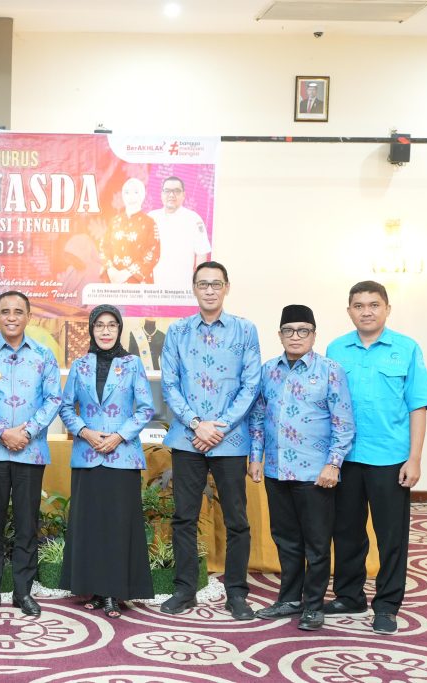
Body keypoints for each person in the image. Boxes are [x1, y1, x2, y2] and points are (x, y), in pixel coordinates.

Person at [325, 280, 427, 635]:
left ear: (387, 308)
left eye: (374, 305)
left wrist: (414, 458)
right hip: (346, 457)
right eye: (359, 306)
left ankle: (387, 605)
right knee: (346, 532)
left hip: (390, 458)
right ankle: (349, 595)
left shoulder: (406, 348)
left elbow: (418, 406)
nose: (367, 311)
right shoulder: (335, 348)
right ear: (349, 311)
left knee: (391, 537)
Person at [159, 261, 260, 620]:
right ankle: (185, 590)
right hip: (188, 439)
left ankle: (237, 593)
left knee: (237, 520)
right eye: (203, 284)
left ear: (226, 288)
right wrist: (196, 424)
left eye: (216, 284)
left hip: (230, 441)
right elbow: (169, 384)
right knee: (184, 518)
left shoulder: (245, 330)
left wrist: (219, 426)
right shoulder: (177, 331)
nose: (210, 290)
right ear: (194, 289)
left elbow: (251, 385)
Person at [248, 304, 355, 631]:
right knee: (285, 539)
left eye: (303, 330)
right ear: (280, 335)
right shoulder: (268, 370)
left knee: (317, 543)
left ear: (313, 335)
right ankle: (289, 599)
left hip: (315, 474)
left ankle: (313, 605)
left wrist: (333, 464)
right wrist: (256, 457)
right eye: (289, 331)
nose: (296, 336)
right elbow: (258, 417)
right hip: (276, 470)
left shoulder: (330, 370)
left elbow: (343, 423)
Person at [0, 291, 63, 617]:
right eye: (5, 311)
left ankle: (23, 592)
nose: (11, 317)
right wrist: (2, 431)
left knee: (26, 524)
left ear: (28, 316)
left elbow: (53, 399)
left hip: (30, 452)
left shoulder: (44, 356)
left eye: (18, 311)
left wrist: (27, 432)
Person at [59, 304, 155, 619]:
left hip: (122, 455)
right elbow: (65, 407)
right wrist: (85, 432)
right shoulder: (79, 365)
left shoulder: (132, 364)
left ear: (119, 329)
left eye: (111, 325)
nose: (105, 331)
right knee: (91, 526)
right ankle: (96, 590)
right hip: (87, 455)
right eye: (99, 325)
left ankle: (114, 592)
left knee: (118, 525)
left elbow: (145, 408)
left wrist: (119, 436)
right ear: (91, 329)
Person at [148, 177, 211, 289]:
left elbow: (202, 253)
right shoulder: (151, 217)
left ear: (183, 195)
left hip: (182, 288)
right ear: (161, 194)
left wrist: (198, 283)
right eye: (167, 191)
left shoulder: (194, 219)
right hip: (154, 287)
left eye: (176, 191)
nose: (171, 195)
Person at [100, 178, 160, 284]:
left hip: (138, 282)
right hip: (114, 280)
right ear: (123, 196)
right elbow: (104, 247)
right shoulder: (114, 221)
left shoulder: (150, 222)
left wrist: (127, 273)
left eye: (136, 192)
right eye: (127, 192)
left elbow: (153, 252)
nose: (131, 197)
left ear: (142, 195)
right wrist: (110, 270)